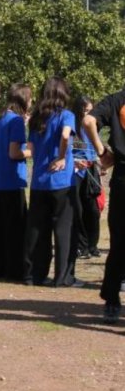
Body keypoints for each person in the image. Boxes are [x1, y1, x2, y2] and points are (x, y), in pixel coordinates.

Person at [23, 77, 77, 287]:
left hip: (39, 180)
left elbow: (31, 149)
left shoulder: (37, 118)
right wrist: (62, 157)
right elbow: (65, 136)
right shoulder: (67, 115)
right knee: (63, 229)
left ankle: (36, 274)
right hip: (62, 182)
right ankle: (61, 277)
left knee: (39, 229)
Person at [81, 87, 123, 324]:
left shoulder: (117, 100)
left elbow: (88, 121)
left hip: (122, 178)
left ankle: (112, 301)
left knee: (119, 243)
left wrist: (101, 151)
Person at [0, 84, 32, 281]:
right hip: (11, 181)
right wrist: (34, 150)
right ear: (24, 100)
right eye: (30, 99)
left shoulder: (0, 118)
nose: (32, 102)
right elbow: (14, 152)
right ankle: (15, 271)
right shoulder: (15, 122)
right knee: (16, 230)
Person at [72, 96, 102, 259]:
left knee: (93, 210)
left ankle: (92, 244)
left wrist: (98, 161)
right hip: (76, 171)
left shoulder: (93, 126)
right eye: (83, 110)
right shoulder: (73, 127)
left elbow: (94, 148)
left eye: (89, 110)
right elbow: (73, 147)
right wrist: (77, 160)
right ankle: (81, 246)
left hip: (91, 170)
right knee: (78, 208)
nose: (86, 114)